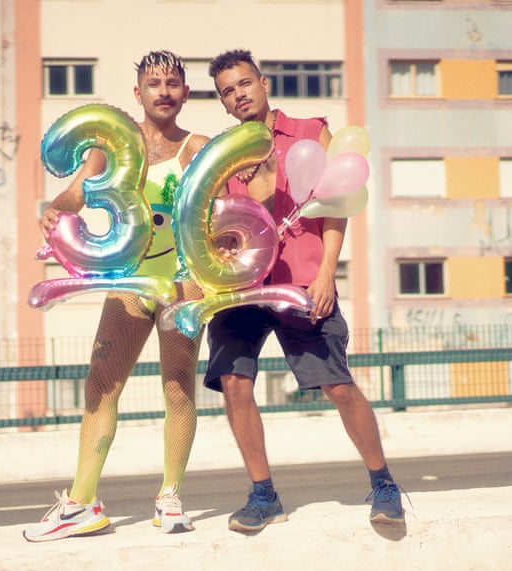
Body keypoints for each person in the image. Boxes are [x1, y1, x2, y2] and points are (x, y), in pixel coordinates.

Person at [205, 49, 404, 533]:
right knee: (234, 382)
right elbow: (217, 225)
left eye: (244, 83)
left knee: (336, 384)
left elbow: (337, 202)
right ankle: (263, 495)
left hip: (303, 280)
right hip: (245, 288)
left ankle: (384, 484)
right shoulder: (222, 155)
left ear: (263, 82)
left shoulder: (312, 132)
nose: (239, 94)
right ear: (224, 103)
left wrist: (325, 273)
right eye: (228, 91)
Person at [23, 50, 209, 542]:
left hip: (182, 280)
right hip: (129, 281)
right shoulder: (114, 147)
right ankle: (82, 503)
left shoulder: (198, 147)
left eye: (172, 83)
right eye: (154, 83)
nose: (163, 91)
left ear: (185, 93)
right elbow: (76, 191)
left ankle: (170, 497)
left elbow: (226, 206)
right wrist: (55, 208)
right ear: (138, 93)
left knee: (177, 387)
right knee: (100, 384)